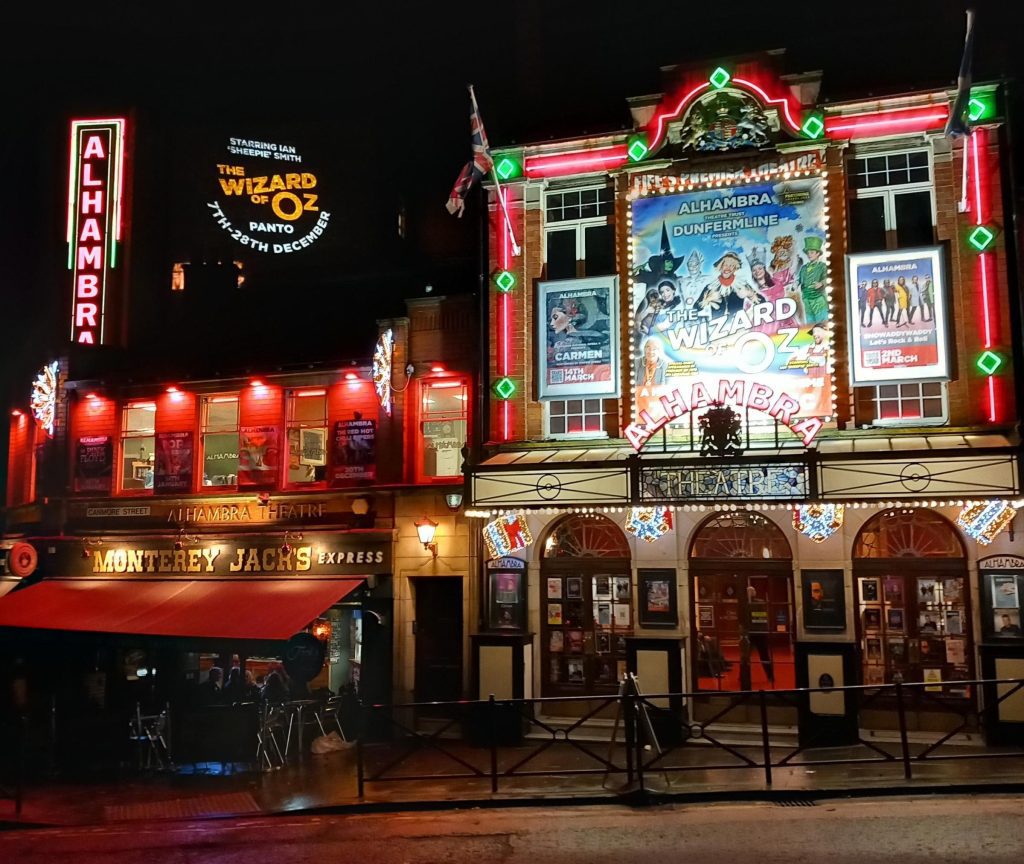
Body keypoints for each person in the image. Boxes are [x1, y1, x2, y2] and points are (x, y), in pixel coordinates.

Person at [796, 236, 828, 324]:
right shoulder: (804, 268)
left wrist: (821, 283)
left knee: (821, 321)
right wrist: (795, 284)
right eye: (808, 253)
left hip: (817, 298)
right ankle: (813, 336)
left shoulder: (822, 266)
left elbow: (827, 278)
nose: (809, 255)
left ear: (818, 253)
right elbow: (799, 279)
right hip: (806, 297)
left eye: (812, 252)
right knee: (810, 321)